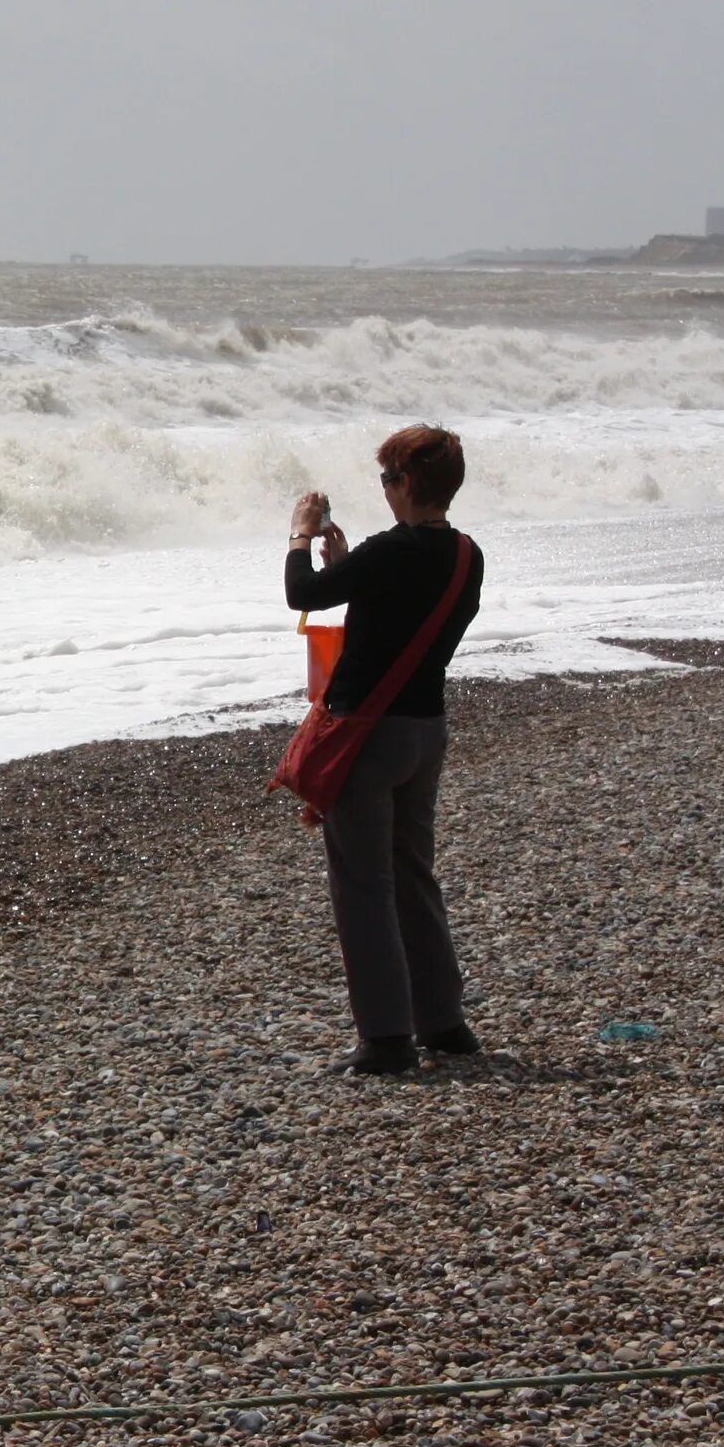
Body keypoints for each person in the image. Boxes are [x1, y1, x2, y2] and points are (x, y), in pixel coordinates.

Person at [285, 424, 487, 1076]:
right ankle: (444, 1023)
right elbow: (404, 619)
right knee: (411, 876)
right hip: (424, 730)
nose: (384, 489)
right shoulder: (465, 555)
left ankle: (386, 1035)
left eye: (386, 479)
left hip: (367, 734)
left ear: (406, 484)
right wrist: (349, 569)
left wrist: (299, 534)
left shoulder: (389, 551)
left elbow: (302, 597)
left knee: (363, 884)